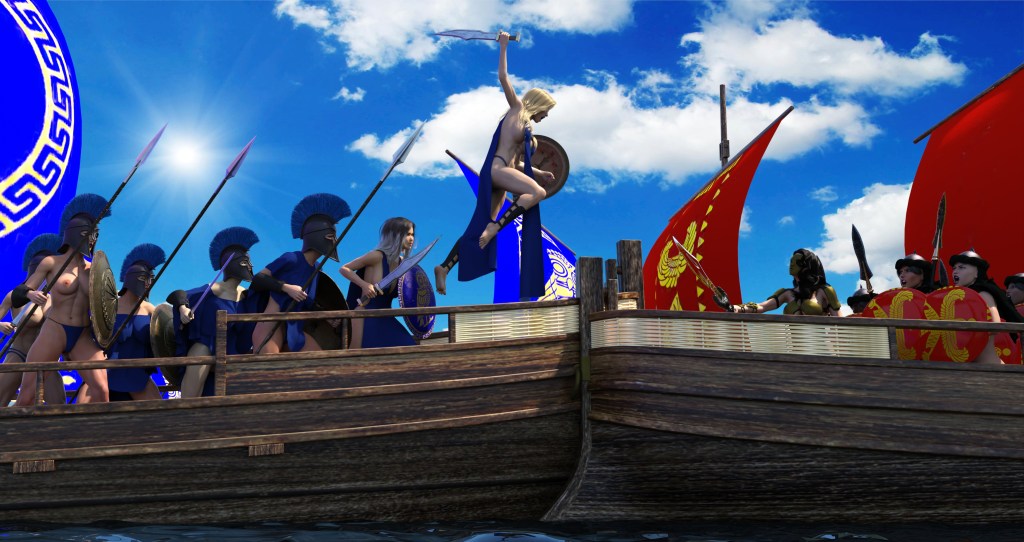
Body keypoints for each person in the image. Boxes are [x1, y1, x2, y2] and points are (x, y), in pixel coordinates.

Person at [434, 31, 556, 299]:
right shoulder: (517, 110)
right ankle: (496, 227)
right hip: (498, 170)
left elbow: (518, 163)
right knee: (536, 193)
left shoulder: (528, 127)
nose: (547, 115)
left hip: (505, 173)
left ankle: (444, 267)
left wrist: (539, 171)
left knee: (477, 226)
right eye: (547, 110)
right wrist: (503, 46)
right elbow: (503, 77)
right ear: (539, 104)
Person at [14, 193, 111, 405]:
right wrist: (30, 293)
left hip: (82, 333)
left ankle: (94, 427)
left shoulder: (93, 270)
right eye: (89, 234)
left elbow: (106, 304)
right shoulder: (51, 262)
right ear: (75, 233)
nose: (92, 240)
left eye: (95, 235)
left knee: (101, 390)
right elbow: (20, 291)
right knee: (28, 392)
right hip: (55, 329)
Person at [251, 193, 350, 354]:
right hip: (271, 323)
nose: (334, 241)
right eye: (330, 236)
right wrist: (286, 288)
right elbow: (258, 279)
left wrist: (326, 316)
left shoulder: (316, 269)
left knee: (320, 363)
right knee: (268, 367)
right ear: (316, 235)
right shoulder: (291, 258)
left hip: (294, 330)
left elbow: (306, 301)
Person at [168, 227, 259, 397]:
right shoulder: (213, 289)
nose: (250, 266)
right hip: (207, 348)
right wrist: (182, 308)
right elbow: (178, 295)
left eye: (250, 261)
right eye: (244, 262)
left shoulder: (247, 295)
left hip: (233, 353)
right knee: (200, 356)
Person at [0, 233, 66, 406]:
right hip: (19, 354)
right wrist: (1, 325)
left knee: (58, 405)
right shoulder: (15, 296)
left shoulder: (55, 299)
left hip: (45, 358)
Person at [340, 217, 417, 349]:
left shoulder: (403, 264)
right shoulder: (377, 256)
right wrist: (364, 285)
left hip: (386, 316)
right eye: (407, 234)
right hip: (365, 316)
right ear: (395, 235)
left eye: (412, 234)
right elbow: (344, 269)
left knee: (409, 346)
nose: (411, 239)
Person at [106, 243, 165, 401]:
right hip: (107, 373)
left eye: (151, 279)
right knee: (83, 408)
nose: (149, 283)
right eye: (145, 278)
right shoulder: (110, 307)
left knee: (160, 412)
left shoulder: (150, 309)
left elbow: (165, 335)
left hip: (138, 375)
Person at [949, 250, 1023, 364]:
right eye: (954, 268)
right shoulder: (958, 296)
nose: (955, 271)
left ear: (977, 273)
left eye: (961, 267)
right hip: (965, 359)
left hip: (986, 362)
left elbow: (994, 323)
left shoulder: (983, 294)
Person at [728, 249, 841, 316]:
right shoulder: (787, 293)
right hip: (793, 347)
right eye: (791, 261)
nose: (791, 264)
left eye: (796, 262)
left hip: (820, 347)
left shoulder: (824, 291)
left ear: (807, 266)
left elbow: (839, 321)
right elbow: (762, 306)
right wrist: (734, 308)